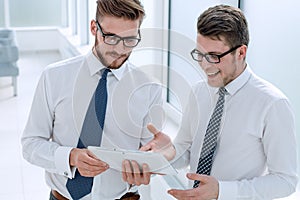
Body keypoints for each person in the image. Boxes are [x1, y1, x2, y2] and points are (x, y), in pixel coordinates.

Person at [133, 4, 298, 200]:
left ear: (241, 53)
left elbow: (285, 181)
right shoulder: (199, 92)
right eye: (200, 55)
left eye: (214, 56)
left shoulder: (272, 104)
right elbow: (186, 150)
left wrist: (221, 191)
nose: (205, 65)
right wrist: (166, 154)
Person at [21, 0, 163, 199]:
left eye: (130, 40)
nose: (121, 50)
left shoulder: (149, 88)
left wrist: (152, 160)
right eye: (111, 38)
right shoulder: (54, 77)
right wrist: (70, 157)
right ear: (94, 27)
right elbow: (31, 144)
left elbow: (150, 152)